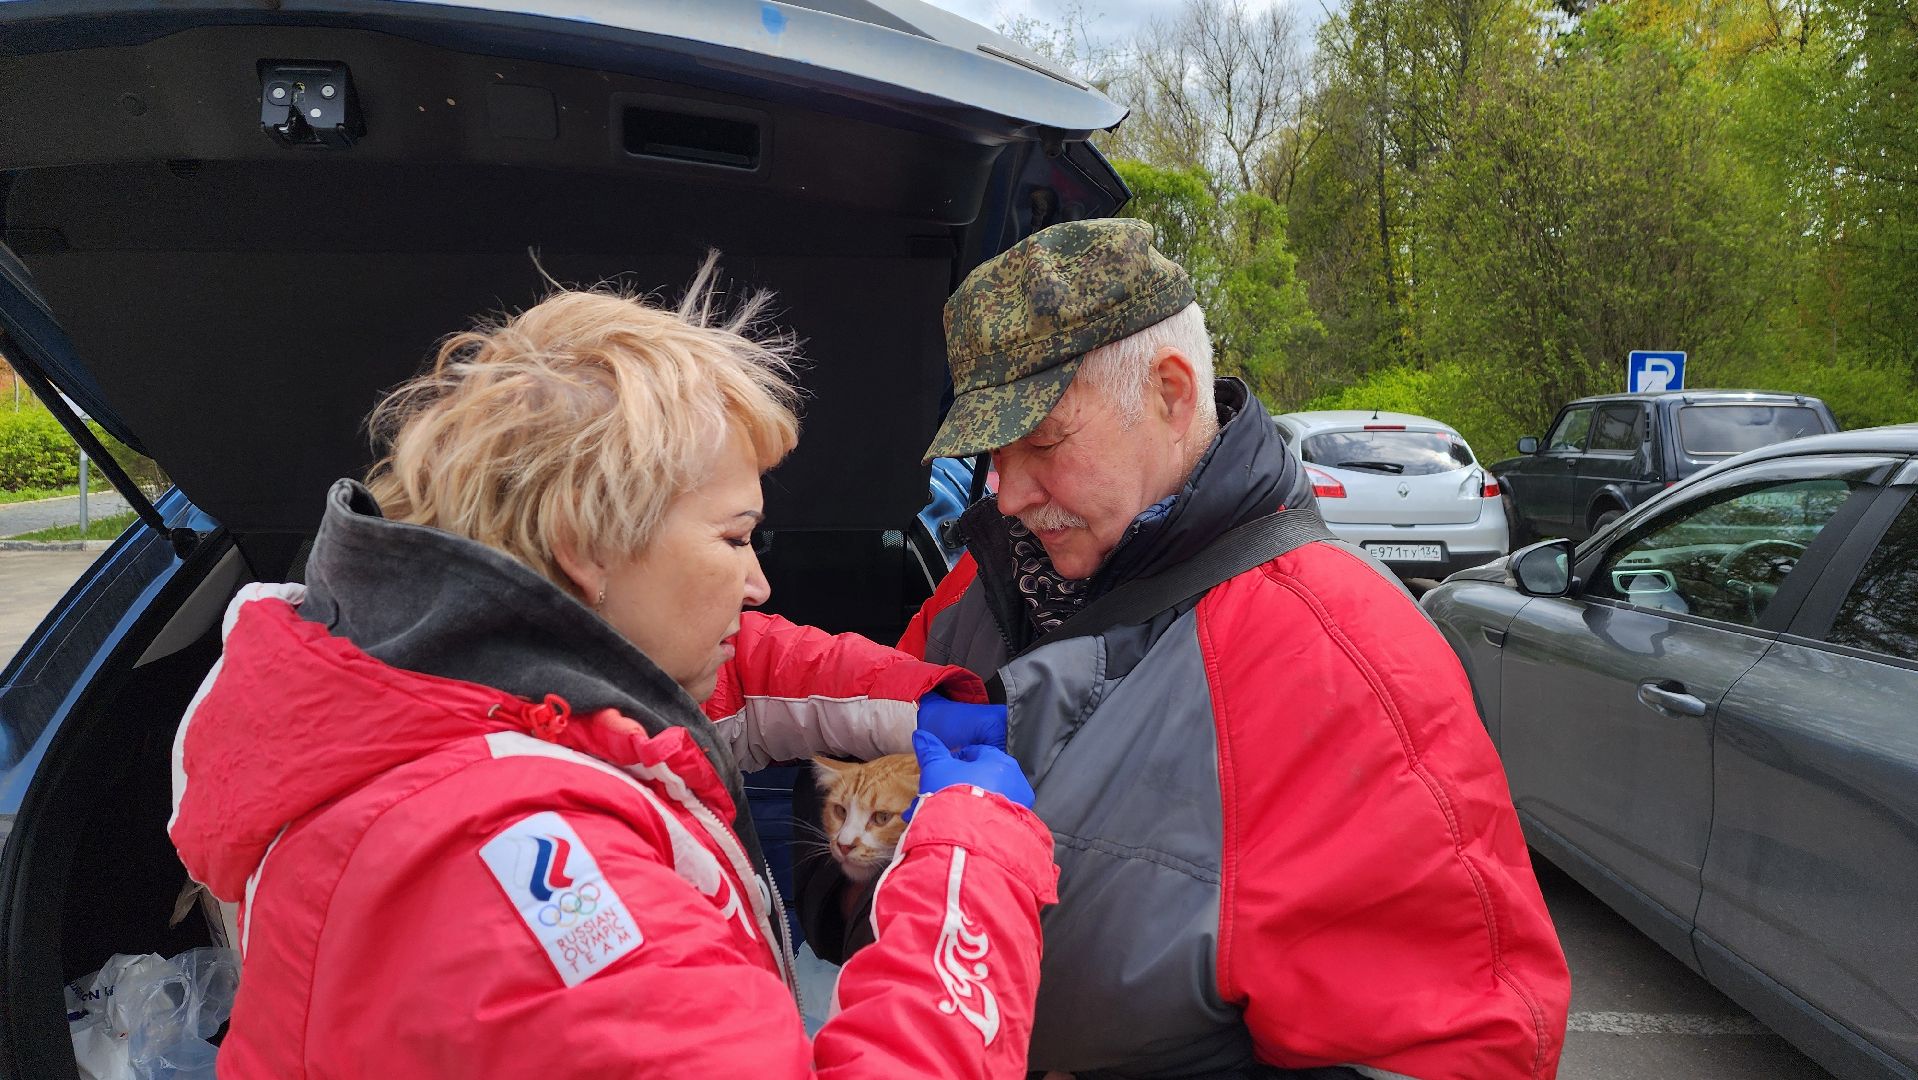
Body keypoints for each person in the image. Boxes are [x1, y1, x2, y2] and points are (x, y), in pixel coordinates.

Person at [168, 266, 1051, 1078]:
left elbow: (717, 676)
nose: (758, 583)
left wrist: (922, 702)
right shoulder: (507, 867)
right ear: (589, 547)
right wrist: (972, 868)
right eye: (736, 538)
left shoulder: (426, 676)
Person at [889, 219, 1573, 1079]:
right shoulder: (975, 591)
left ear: (1173, 393)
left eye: (1043, 442)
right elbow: (837, 799)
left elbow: (1460, 1050)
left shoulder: (1347, 655)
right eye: (993, 452)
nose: (1010, 493)